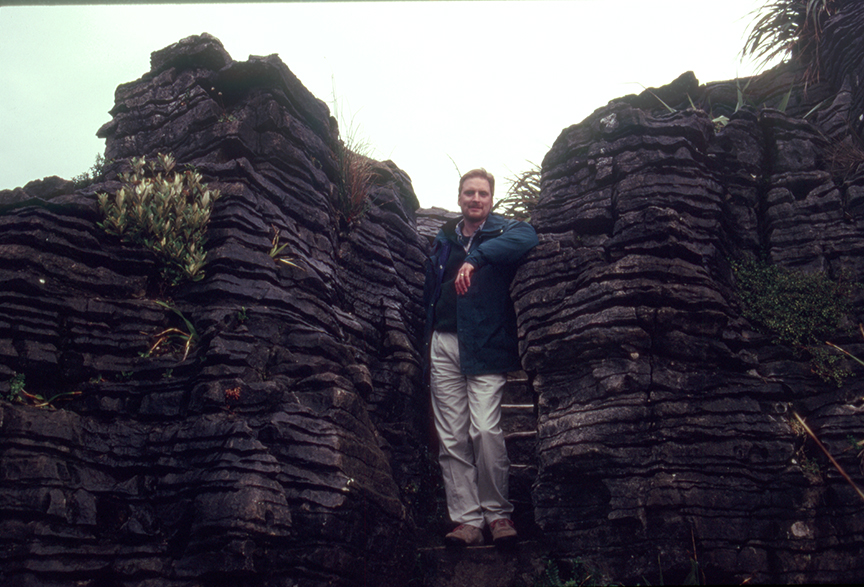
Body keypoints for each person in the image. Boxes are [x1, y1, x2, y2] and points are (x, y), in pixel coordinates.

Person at [423, 168, 538, 547]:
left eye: (482, 194)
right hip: (445, 343)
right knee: (452, 436)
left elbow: (530, 236)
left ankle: (498, 514)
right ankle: (467, 520)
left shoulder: (504, 231)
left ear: (491, 200)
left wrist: (478, 258)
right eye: (469, 193)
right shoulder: (444, 237)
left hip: (487, 343)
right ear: (459, 198)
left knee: (485, 430)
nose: (475, 199)